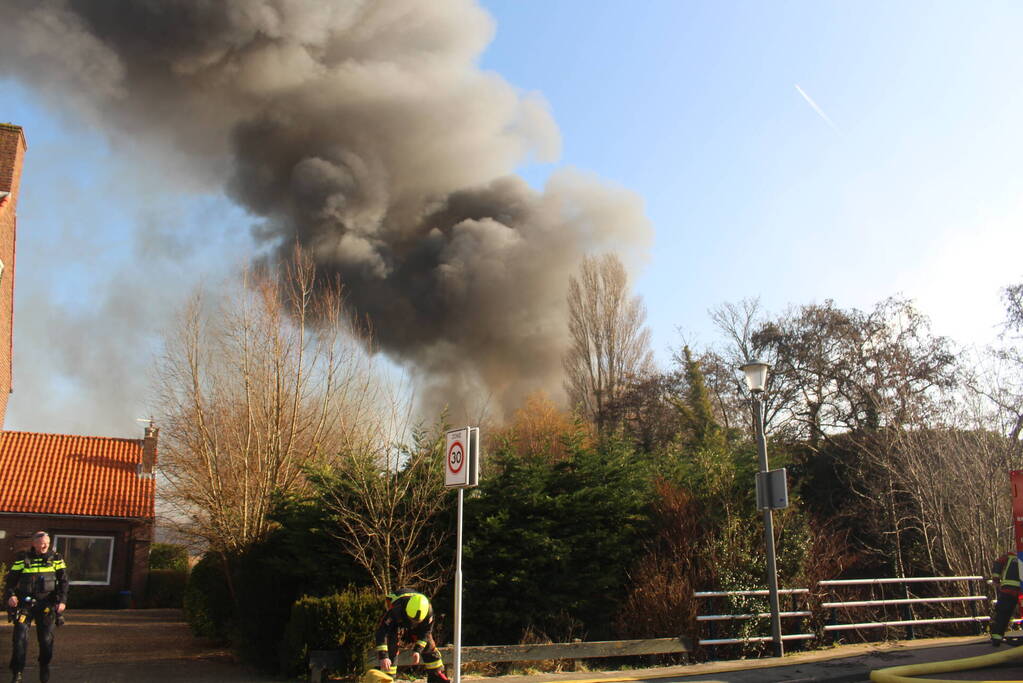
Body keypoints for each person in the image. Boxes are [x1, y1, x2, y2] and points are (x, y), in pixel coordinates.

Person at [3, 532, 68, 683]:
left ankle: (44, 666)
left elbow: (64, 582)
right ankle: (17, 672)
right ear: (34, 544)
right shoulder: (22, 558)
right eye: (41, 543)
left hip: (46, 605)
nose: (45, 546)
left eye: (47, 543)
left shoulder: (56, 558)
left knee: (46, 640)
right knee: (19, 639)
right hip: (25, 605)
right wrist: (11, 596)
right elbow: (10, 582)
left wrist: (62, 601)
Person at [373, 590, 449, 683]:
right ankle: (387, 678)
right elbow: (382, 632)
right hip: (396, 616)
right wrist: (383, 656)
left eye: (417, 622)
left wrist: (417, 650)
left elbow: (426, 633)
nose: (413, 623)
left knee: (429, 644)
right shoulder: (396, 609)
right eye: (411, 620)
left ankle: (437, 676)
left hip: (415, 619)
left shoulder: (428, 613)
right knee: (391, 642)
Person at [990, 550, 1021, 646]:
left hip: (1007, 589)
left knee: (1002, 614)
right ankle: (996, 637)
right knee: (1004, 614)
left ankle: (996, 638)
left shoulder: (1010, 556)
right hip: (1018, 590)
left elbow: (998, 564)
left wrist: (996, 579)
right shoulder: (1012, 556)